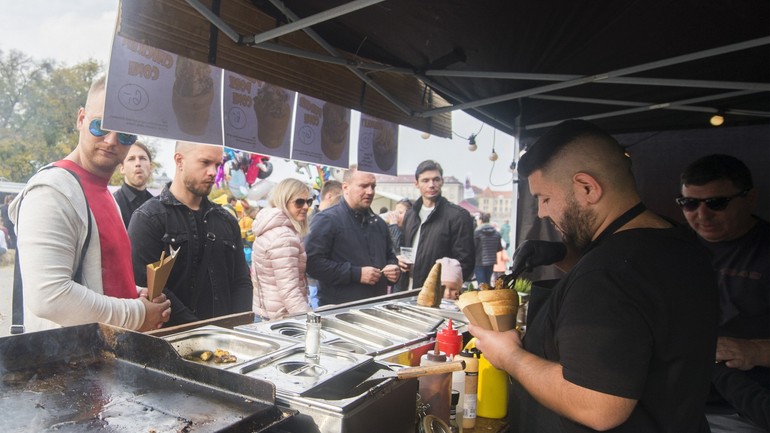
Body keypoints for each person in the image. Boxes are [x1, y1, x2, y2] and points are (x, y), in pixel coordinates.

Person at [469, 119, 719, 432]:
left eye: (544, 198)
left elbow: (597, 406)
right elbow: (634, 309)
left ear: (587, 188)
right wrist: (566, 257)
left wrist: (509, 356)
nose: (543, 213)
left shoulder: (607, 272)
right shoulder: (680, 244)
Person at [8, 75, 170, 333]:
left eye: (126, 134)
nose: (111, 140)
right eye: (101, 126)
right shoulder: (52, 191)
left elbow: (102, 279)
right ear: (81, 119)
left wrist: (140, 294)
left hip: (106, 360)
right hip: (69, 365)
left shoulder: (105, 193)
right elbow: (49, 297)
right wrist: (138, 313)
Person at [678, 154, 769, 432]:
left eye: (717, 203)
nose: (702, 215)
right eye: (689, 203)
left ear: (750, 198)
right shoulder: (673, 246)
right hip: (675, 402)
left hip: (744, 410)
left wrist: (754, 351)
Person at [128, 141, 252, 327]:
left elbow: (241, 282)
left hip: (228, 344)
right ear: (179, 161)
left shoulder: (226, 220)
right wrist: (201, 332)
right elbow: (149, 288)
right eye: (205, 162)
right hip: (173, 343)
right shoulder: (149, 218)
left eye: (217, 165)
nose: (213, 172)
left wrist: (237, 329)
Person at [305, 166, 400, 306]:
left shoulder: (379, 223)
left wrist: (393, 268)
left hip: (376, 308)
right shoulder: (327, 219)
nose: (370, 191)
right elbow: (312, 264)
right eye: (363, 186)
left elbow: (390, 256)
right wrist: (356, 274)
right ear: (345, 188)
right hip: (340, 312)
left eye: (373, 186)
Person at [398, 160, 475, 289]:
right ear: (416, 184)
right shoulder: (410, 214)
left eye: (436, 180)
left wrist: (445, 289)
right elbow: (404, 248)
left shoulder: (458, 216)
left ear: (442, 182)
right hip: (408, 289)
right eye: (425, 180)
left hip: (438, 293)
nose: (431, 185)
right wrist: (399, 260)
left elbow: (465, 263)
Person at [251, 178, 312, 320]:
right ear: (284, 201)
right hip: (282, 317)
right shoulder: (284, 238)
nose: (306, 206)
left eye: (308, 201)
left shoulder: (269, 228)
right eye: (299, 202)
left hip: (265, 312)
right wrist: (308, 321)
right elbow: (289, 291)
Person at [113, 140, 154, 228]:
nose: (138, 163)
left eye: (142, 158)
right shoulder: (113, 204)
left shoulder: (157, 205)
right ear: (122, 168)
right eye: (131, 159)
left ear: (150, 167)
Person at [387, 198, 412, 292]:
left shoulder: (410, 231)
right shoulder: (394, 229)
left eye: (400, 213)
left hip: (405, 283)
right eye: (396, 212)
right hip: (397, 282)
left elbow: (398, 247)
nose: (396, 216)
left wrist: (393, 225)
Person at [473, 212, 502, 286]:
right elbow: (499, 248)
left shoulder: (477, 233)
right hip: (491, 261)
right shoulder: (496, 233)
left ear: (481, 221)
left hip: (479, 261)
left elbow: (474, 247)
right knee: (487, 283)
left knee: (482, 284)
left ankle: (484, 297)